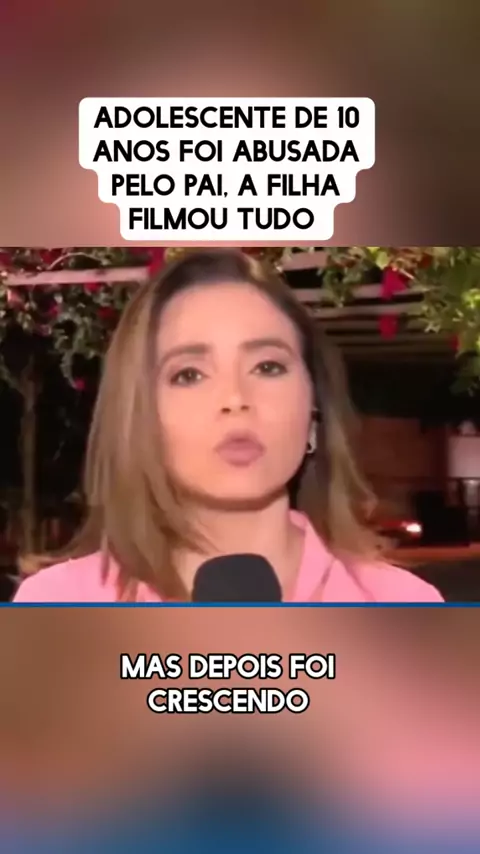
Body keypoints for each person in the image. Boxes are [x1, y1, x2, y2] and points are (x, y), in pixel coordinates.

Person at [13, 249, 442, 603]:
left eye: (268, 367)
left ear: (314, 408)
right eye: (189, 374)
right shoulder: (57, 604)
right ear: (139, 415)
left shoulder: (405, 605)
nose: (235, 399)